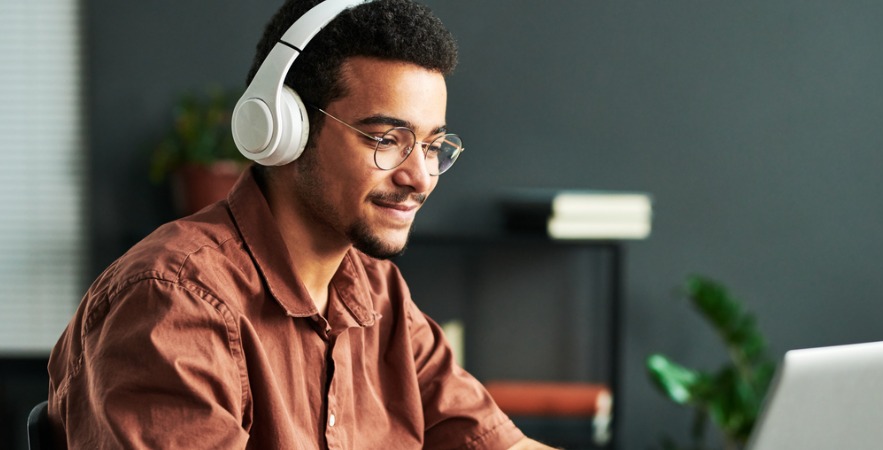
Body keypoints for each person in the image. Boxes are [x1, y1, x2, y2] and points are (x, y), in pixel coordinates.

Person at [45, 0, 553, 448]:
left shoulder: (377, 295)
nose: (419, 176)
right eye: (385, 139)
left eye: (432, 145)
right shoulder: (173, 300)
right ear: (285, 129)